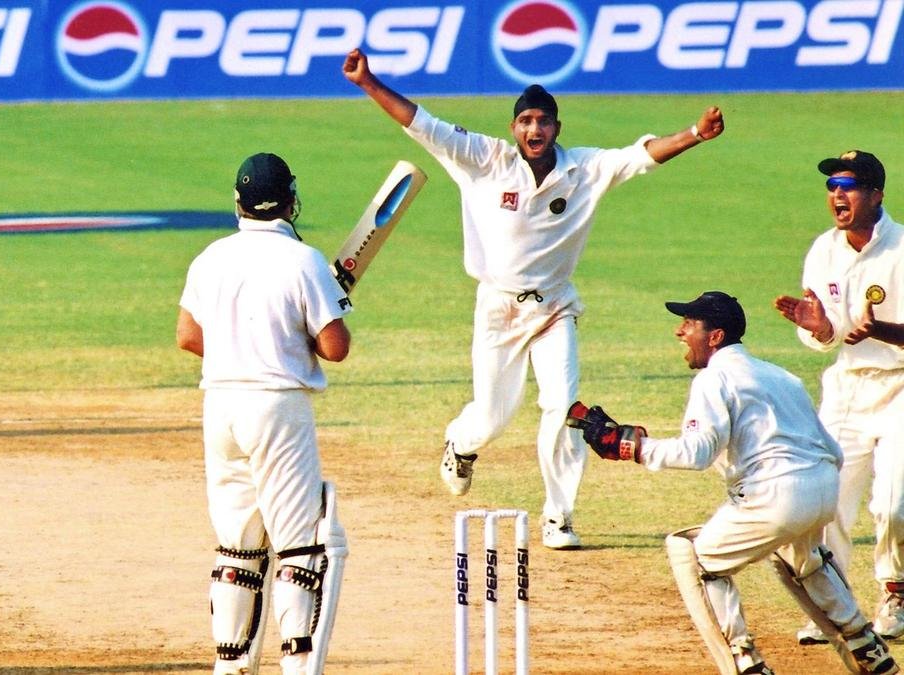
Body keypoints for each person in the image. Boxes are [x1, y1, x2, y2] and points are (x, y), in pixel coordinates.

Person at [341, 48, 725, 549]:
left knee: (564, 407)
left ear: (557, 128)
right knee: (493, 416)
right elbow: (423, 124)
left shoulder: (585, 168)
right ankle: (460, 443)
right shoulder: (486, 159)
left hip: (554, 307)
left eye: (543, 120)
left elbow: (642, 155)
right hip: (498, 307)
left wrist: (695, 133)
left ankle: (558, 517)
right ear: (513, 128)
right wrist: (368, 82)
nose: (534, 129)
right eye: (525, 121)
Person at [568, 291, 897, 675]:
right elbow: (833, 451)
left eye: (688, 324)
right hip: (823, 487)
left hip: (775, 494)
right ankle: (866, 648)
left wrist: (633, 446)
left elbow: (697, 453)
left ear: (715, 336)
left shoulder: (714, 378)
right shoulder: (781, 375)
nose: (679, 332)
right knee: (802, 559)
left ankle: (744, 664)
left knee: (693, 556)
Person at [177, 153, 352, 675]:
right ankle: (296, 665)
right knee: (298, 547)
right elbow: (335, 347)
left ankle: (230, 665)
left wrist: (242, 349)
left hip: (221, 407)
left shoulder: (210, 257)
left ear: (239, 202)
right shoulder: (304, 261)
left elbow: (187, 336)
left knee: (237, 548)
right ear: (291, 201)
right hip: (277, 407)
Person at [773, 150, 904, 645]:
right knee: (826, 500)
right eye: (831, 187)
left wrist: (884, 330)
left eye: (848, 186)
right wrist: (820, 328)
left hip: (900, 386)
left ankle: (896, 592)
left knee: (892, 503)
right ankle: (834, 605)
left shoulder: (902, 247)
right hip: (847, 386)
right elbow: (825, 337)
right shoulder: (823, 250)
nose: (837, 196)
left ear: (876, 195)